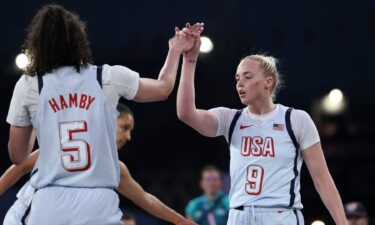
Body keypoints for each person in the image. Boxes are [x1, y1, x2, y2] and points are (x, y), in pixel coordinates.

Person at [6, 4, 203, 224]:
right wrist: (175, 50)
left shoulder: (30, 85)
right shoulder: (106, 77)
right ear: (80, 41)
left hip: (49, 203)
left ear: (39, 44)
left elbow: (18, 156)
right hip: (97, 202)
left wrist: (38, 117)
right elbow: (163, 88)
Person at [176, 25, 347, 225]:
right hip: (239, 215)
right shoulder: (230, 119)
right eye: (237, 79)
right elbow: (186, 113)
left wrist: (342, 223)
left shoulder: (296, 119)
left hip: (280, 214)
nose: (240, 83)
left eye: (247, 77)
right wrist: (189, 60)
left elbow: (322, 180)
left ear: (268, 82)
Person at [1, 103, 196, 225]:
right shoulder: (69, 146)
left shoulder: (115, 168)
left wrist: (178, 220)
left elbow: (145, 199)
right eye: (125, 128)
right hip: (25, 217)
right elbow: (19, 168)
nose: (128, 136)